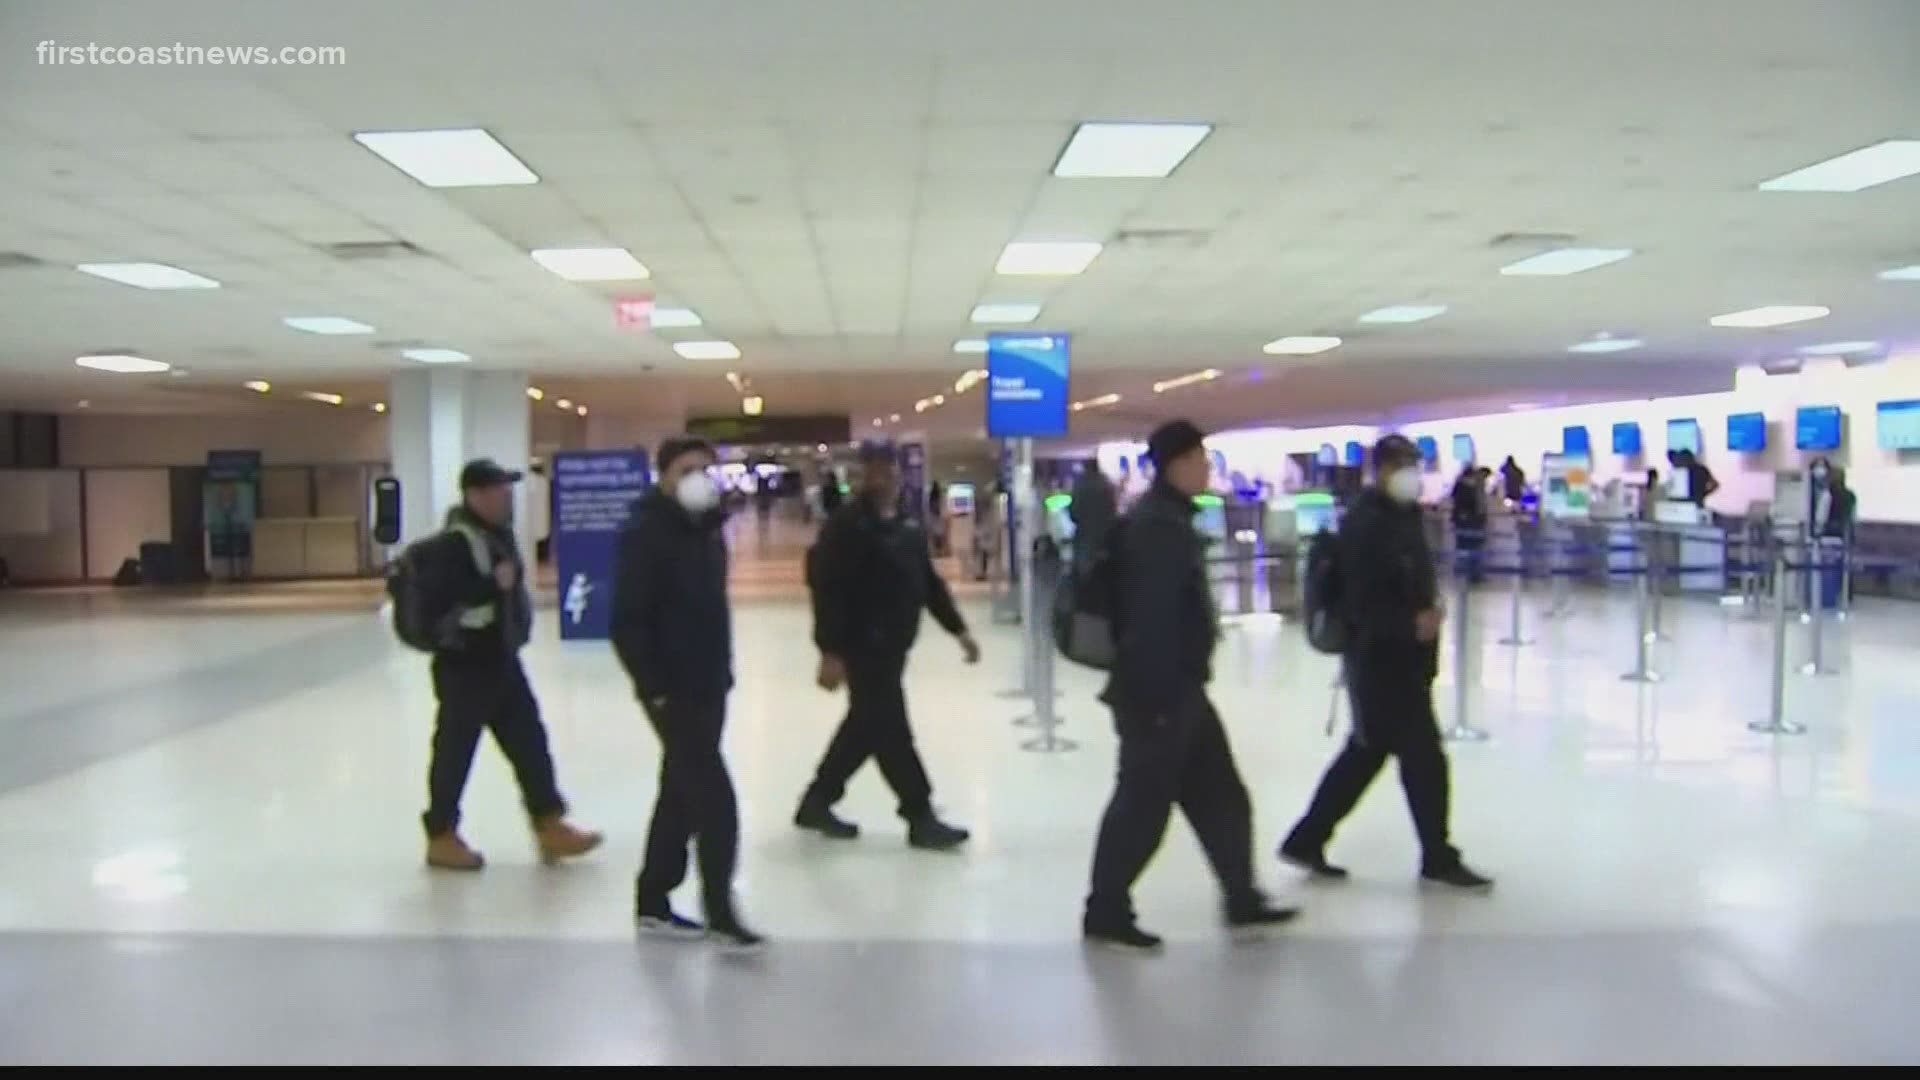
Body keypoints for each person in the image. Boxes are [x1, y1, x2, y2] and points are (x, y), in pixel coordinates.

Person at [1083, 419, 1297, 952]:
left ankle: (1240, 895)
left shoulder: (1167, 519)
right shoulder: (1157, 528)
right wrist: (1157, 699)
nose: (1207, 467)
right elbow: (1150, 620)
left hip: (1180, 690)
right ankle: (1105, 909)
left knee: (1220, 793)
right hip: (1158, 692)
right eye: (1200, 458)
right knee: (1142, 804)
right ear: (1176, 464)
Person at [1281, 435, 1492, 892]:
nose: (1413, 476)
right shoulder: (1366, 524)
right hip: (1381, 659)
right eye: (1403, 466)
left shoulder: (1404, 517)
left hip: (1405, 658)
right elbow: (1361, 602)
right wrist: (1407, 624)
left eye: (1414, 465)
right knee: (1425, 760)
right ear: (1382, 471)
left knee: (1366, 752)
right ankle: (1437, 855)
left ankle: (1307, 838)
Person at [611, 436, 763, 949]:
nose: (699, 478)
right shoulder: (648, 533)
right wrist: (652, 688)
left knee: (679, 790)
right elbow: (626, 619)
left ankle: (653, 898)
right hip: (672, 689)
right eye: (687, 469)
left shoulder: (705, 530)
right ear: (665, 476)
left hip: (709, 680)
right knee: (714, 798)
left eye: (706, 469)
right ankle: (720, 908)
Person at [416, 459, 601, 872]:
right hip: (465, 665)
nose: (508, 497)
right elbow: (444, 599)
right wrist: (489, 585)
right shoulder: (455, 543)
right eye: (500, 490)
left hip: (500, 659)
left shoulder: (495, 535)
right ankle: (441, 834)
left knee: (530, 744)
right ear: (475, 495)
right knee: (455, 752)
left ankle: (549, 823)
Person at [796, 441, 979, 850]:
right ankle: (920, 814)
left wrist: (959, 630)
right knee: (892, 731)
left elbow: (928, 583)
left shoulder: (907, 524)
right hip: (863, 646)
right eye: (873, 470)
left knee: (865, 726)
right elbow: (827, 590)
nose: (882, 478)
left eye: (888, 470)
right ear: (859, 476)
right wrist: (830, 650)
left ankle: (817, 800)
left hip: (895, 644)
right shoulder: (846, 526)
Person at [1813, 460, 1856, 610]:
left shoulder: (1827, 494)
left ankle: (1827, 597)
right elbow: (1853, 516)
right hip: (1846, 535)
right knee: (1844, 567)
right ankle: (1846, 595)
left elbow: (1821, 517)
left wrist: (1817, 531)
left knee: (1828, 568)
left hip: (1829, 536)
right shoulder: (1851, 495)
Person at [1068, 457, 1118, 580]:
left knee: (1085, 571)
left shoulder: (1080, 485)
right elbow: (1113, 508)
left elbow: (1073, 512)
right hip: (1106, 534)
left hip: (1085, 533)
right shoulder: (1107, 485)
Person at [1449, 463, 1488, 584]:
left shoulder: (1462, 485)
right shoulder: (1470, 487)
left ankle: (1466, 572)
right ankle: (1471, 573)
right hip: (1471, 521)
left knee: (1465, 546)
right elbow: (1474, 504)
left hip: (1466, 521)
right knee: (1472, 546)